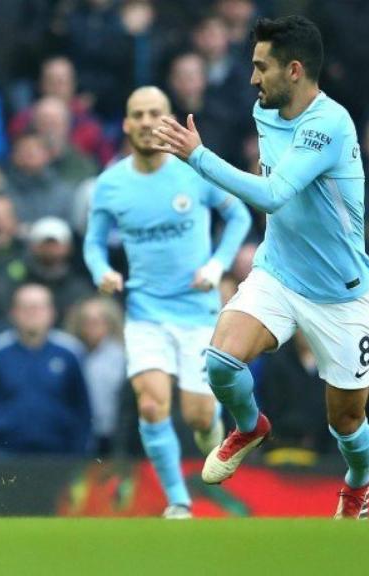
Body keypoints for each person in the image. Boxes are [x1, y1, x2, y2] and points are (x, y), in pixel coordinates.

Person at [154, 16, 369, 519]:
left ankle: (358, 482)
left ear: (294, 70)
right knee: (221, 362)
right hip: (278, 272)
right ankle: (249, 426)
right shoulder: (266, 109)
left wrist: (198, 157)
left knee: (346, 423)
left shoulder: (330, 124)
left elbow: (275, 194)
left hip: (340, 294)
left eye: (262, 67)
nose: (253, 78)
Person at [83, 86, 251, 519]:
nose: (145, 121)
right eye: (137, 114)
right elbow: (93, 243)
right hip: (145, 312)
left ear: (168, 119)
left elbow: (239, 215)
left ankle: (210, 426)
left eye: (153, 113)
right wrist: (101, 271)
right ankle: (178, 501)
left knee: (197, 416)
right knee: (151, 403)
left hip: (198, 311)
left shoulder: (193, 170)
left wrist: (216, 266)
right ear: (126, 124)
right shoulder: (111, 183)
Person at [0, 283, 91, 457]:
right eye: (25, 307)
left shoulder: (71, 352)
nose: (32, 313)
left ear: (52, 312)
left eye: (38, 307)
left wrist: (82, 454)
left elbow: (85, 409)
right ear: (13, 313)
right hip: (3, 456)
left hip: (60, 456)